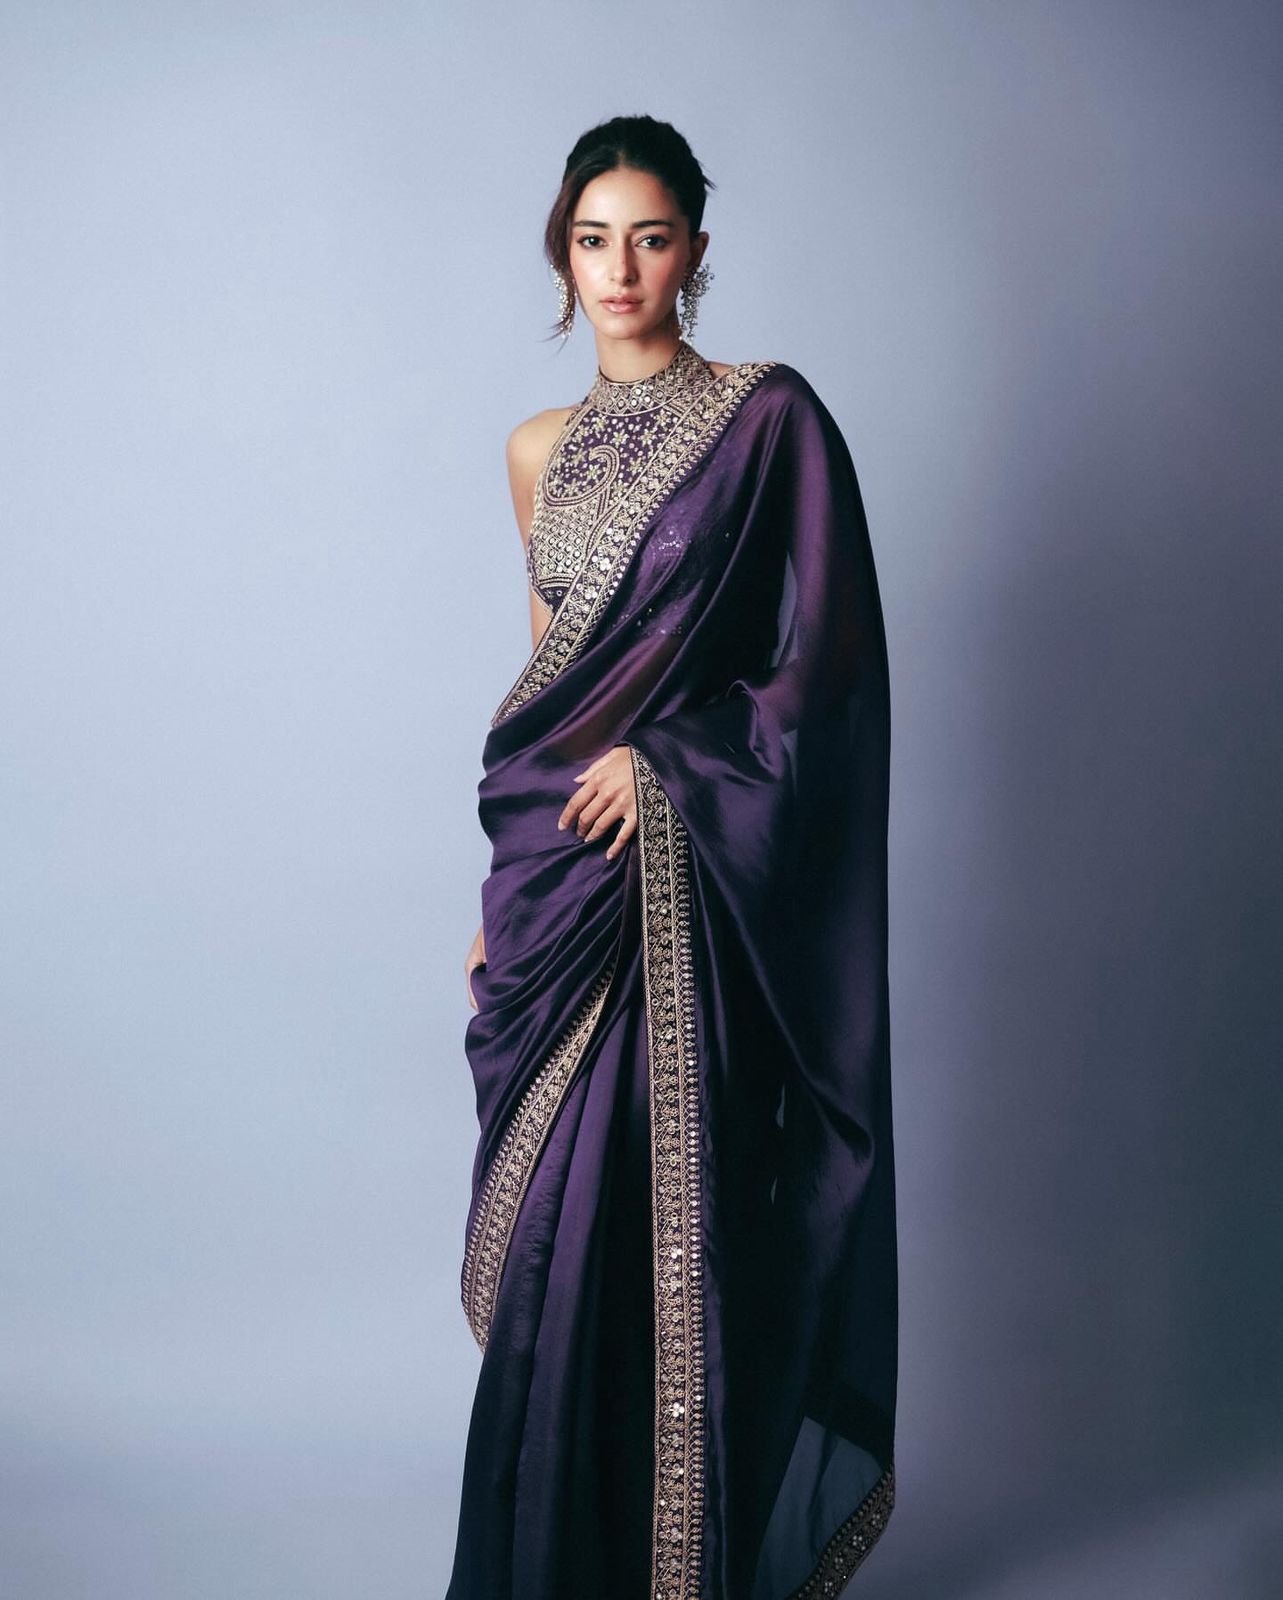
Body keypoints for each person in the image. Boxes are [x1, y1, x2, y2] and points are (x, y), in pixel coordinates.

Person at [447, 114, 897, 1600]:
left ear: (694, 250)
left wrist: (674, 766)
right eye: (594, 241)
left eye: (649, 238)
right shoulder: (534, 450)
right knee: (550, 1246)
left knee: (657, 1223)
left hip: (689, 887)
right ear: (563, 257)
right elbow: (547, 693)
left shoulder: (767, 422)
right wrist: (498, 901)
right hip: (560, 885)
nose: (621, 268)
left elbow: (824, 675)